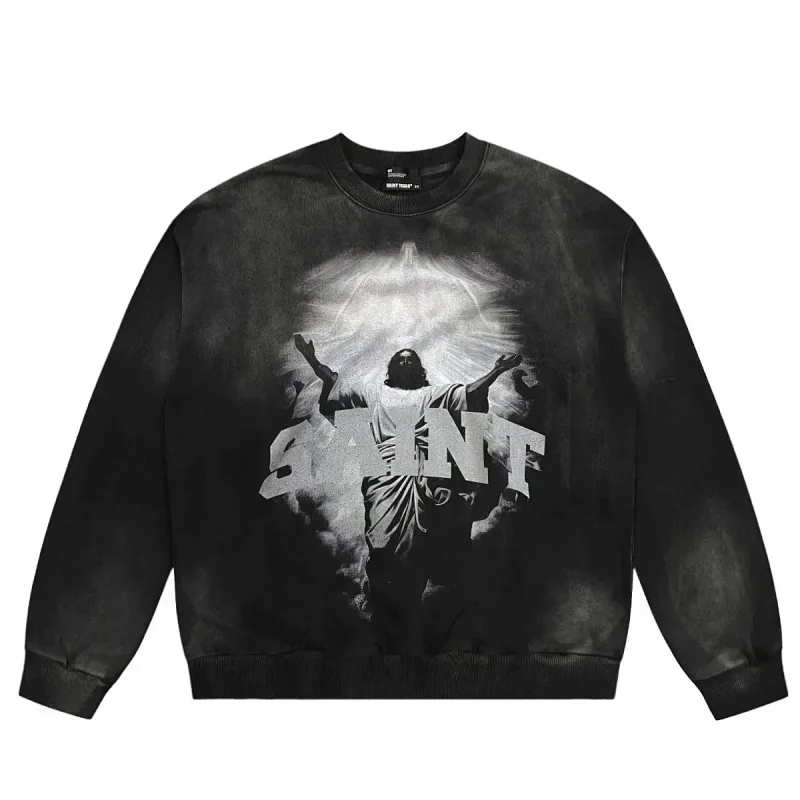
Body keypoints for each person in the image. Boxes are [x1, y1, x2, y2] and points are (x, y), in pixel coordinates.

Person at [294, 333, 522, 652]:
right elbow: (334, 385)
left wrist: (497, 371)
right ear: (391, 369)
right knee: (384, 547)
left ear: (418, 369)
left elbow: (470, 393)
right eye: (399, 359)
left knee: (428, 542)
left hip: (426, 476)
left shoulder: (434, 395)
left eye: (410, 359)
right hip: (385, 479)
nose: (404, 362)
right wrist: (312, 360)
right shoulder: (375, 395)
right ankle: (389, 625)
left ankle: (424, 620)